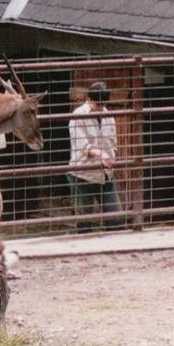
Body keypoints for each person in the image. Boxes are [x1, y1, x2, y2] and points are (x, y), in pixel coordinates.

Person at [67, 81, 121, 233]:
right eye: (98, 104)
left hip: (105, 174)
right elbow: (82, 145)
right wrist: (101, 154)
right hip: (83, 174)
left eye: (103, 104)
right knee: (84, 222)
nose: (100, 108)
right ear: (89, 99)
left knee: (116, 219)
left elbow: (113, 141)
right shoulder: (77, 116)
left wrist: (112, 156)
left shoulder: (108, 116)